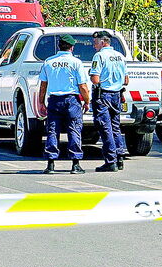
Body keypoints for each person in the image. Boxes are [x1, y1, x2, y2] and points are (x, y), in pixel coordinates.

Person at [37, 34, 91, 174]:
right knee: (74, 130)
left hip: (54, 100)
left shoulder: (48, 62)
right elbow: (83, 86)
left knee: (52, 131)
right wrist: (86, 101)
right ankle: (75, 164)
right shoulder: (76, 63)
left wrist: (41, 102)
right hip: (71, 100)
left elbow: (43, 85)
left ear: (59, 46)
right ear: (72, 47)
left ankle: (50, 164)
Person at [89, 30, 129, 172]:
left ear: (102, 42)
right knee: (115, 127)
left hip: (103, 95)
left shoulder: (99, 56)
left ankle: (110, 160)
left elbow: (95, 78)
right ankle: (119, 157)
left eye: (95, 43)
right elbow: (126, 80)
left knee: (105, 128)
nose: (94, 46)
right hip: (116, 95)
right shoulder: (120, 56)